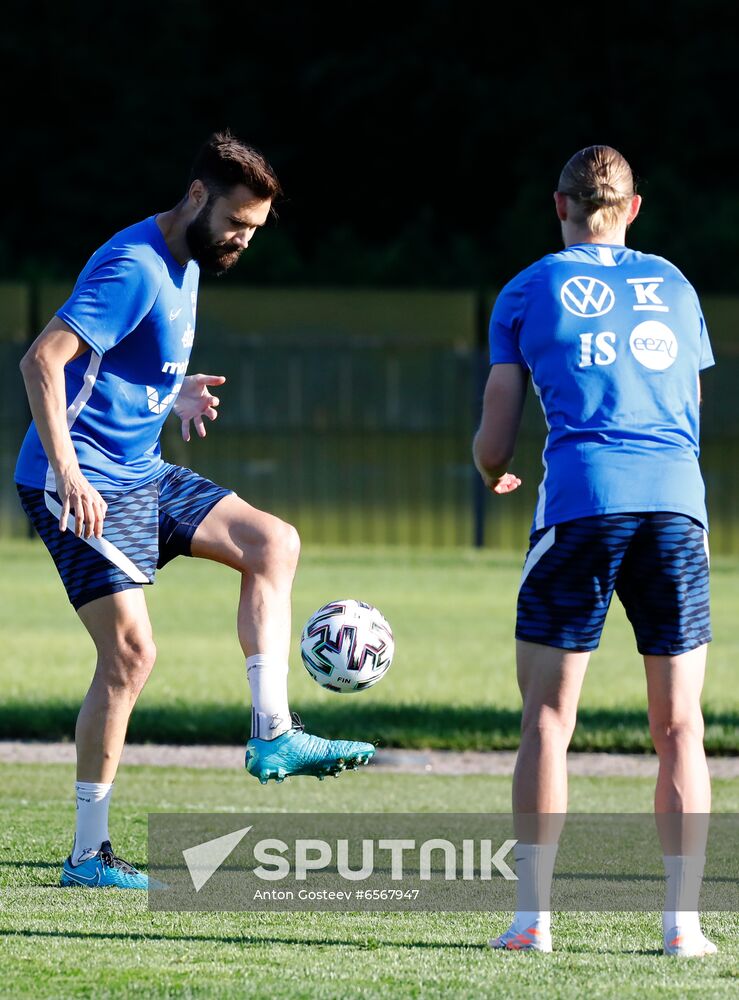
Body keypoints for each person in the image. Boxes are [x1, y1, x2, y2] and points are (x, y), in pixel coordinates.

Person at [15, 129, 375, 890]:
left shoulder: (188, 260)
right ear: (198, 195)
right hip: (81, 478)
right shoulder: (134, 265)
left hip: (140, 470)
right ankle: (87, 856)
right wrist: (69, 472)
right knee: (130, 656)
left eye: (256, 228)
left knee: (273, 543)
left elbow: (117, 360)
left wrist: (168, 392)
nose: (244, 238)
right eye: (238, 222)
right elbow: (41, 360)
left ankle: (273, 732)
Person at [473, 145, 716, 957]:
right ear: (633, 208)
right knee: (678, 725)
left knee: (546, 718)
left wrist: (493, 472)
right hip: (675, 507)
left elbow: (494, 441)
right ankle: (682, 925)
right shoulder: (675, 285)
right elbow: (689, 408)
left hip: (582, 503)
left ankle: (532, 919)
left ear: (559, 206)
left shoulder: (526, 288)